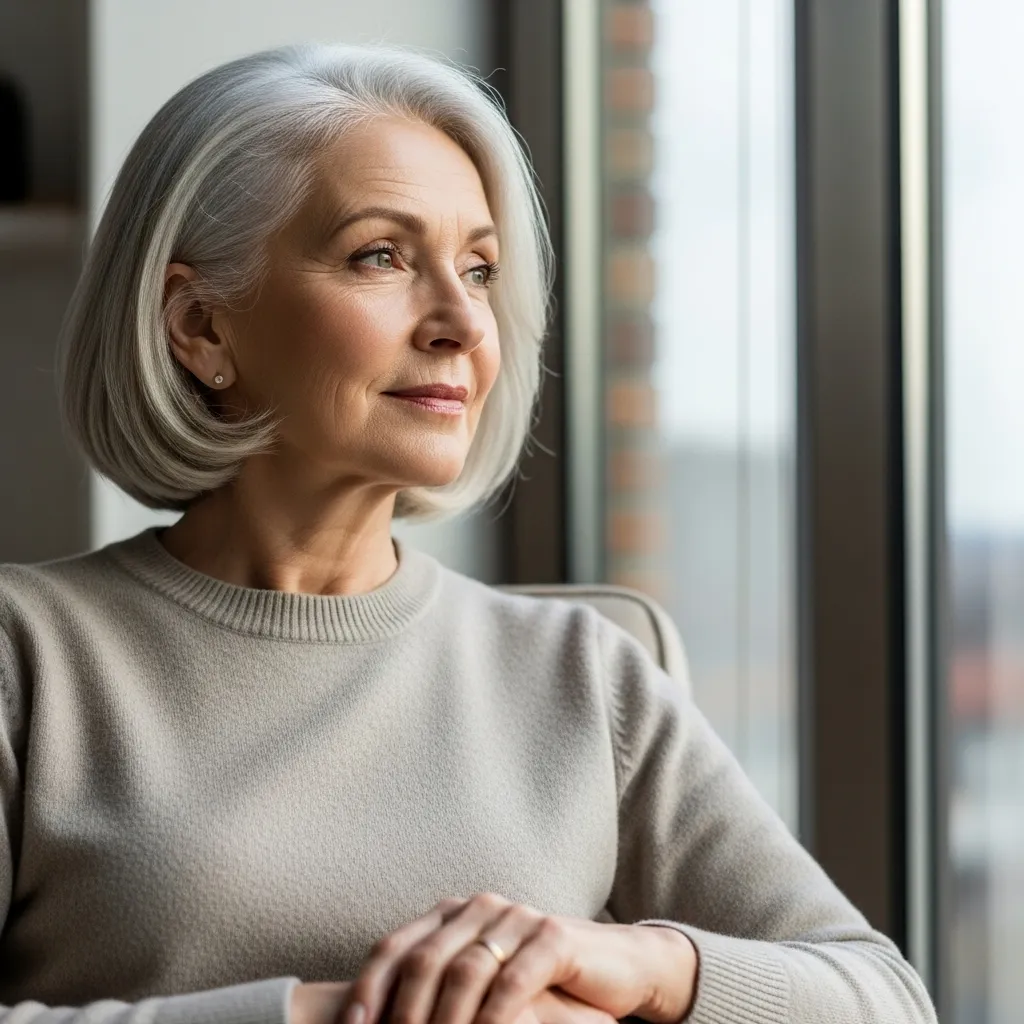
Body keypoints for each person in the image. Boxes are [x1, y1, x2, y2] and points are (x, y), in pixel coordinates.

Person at [0, 42, 936, 1024]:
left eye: (479, 268)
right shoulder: (31, 655)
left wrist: (639, 964)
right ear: (199, 325)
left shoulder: (586, 674)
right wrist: (339, 1014)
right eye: (381, 255)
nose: (461, 320)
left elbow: (882, 1000)